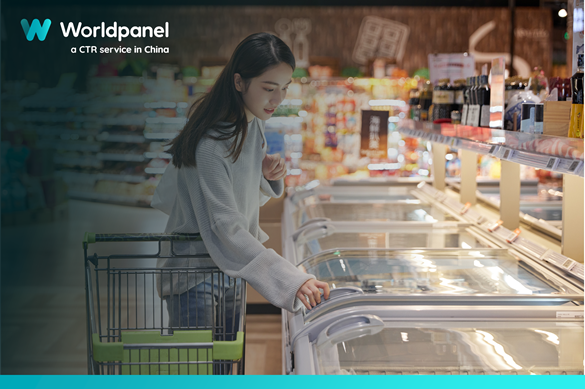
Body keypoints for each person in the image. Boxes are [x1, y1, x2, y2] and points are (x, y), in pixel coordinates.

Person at [152, 32, 330, 341]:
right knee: (198, 371)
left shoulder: (251, 123)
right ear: (239, 82)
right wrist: (293, 280)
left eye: (284, 88)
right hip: (196, 276)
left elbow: (239, 200)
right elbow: (225, 226)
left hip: (231, 269)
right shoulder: (210, 142)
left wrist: (266, 174)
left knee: (224, 367)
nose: (277, 99)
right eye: (268, 88)